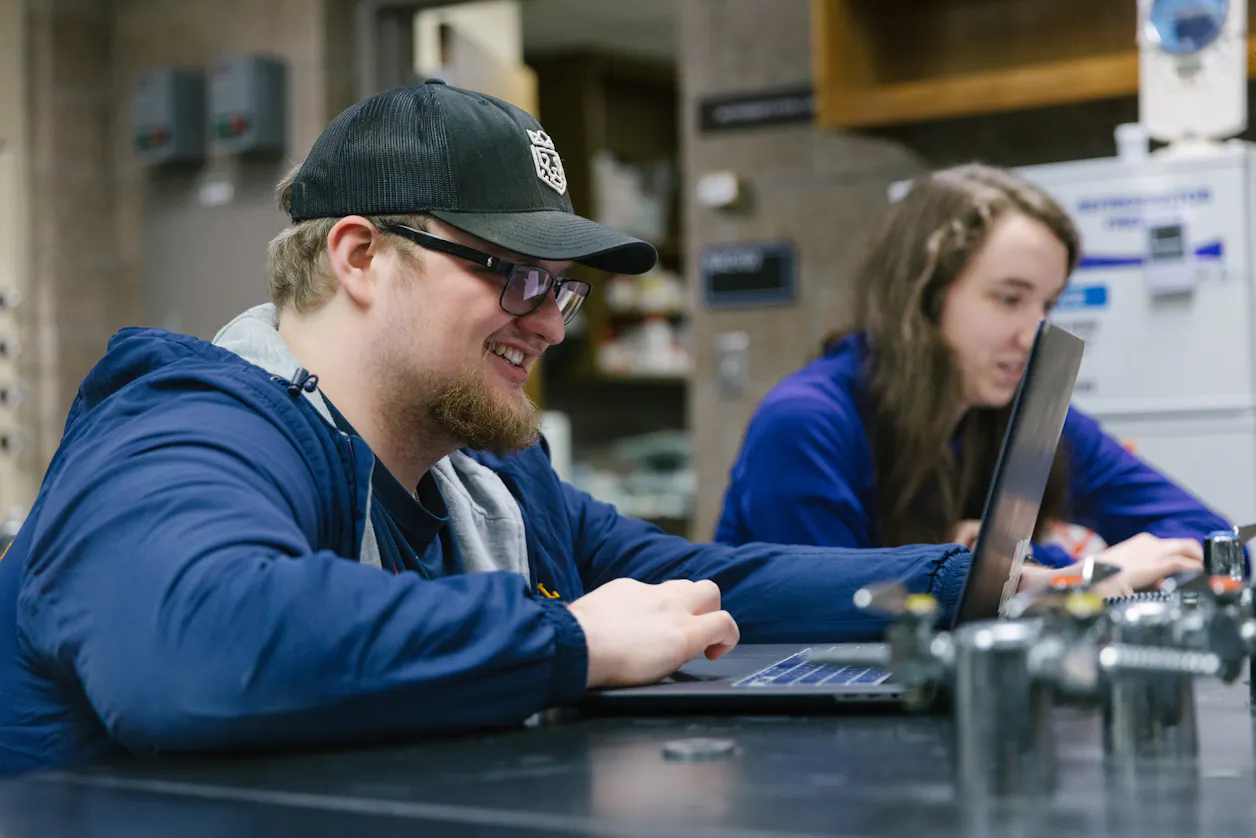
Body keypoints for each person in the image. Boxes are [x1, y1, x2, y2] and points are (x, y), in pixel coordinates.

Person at [0, 81, 1016, 777]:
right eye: (508, 271)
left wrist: (955, 583)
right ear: (358, 256)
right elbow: (195, 648)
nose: (543, 318)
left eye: (558, 288)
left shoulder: (487, 476)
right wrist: (566, 640)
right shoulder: (185, 427)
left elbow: (694, 582)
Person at [714, 163, 1221, 592]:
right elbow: (839, 618)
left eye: (1048, 303)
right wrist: (1053, 581)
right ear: (923, 297)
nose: (1035, 333)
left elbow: (1208, 539)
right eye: (1009, 298)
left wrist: (1028, 570)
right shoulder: (806, 424)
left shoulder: (1025, 415)